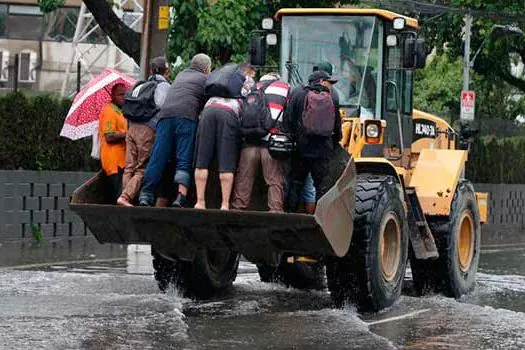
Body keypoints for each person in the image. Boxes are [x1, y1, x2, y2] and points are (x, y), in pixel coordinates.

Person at [138, 53, 212, 208]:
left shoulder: (180, 75)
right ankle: (180, 196)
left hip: (165, 117)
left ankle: (146, 195)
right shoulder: (205, 79)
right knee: (183, 158)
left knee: (158, 157)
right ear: (206, 68)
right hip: (186, 117)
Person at [232, 72, 291, 212]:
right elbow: (289, 113)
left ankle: (237, 209)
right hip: (270, 143)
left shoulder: (252, 88)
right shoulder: (284, 87)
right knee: (274, 179)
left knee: (244, 179)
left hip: (249, 141)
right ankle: (275, 211)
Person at [284, 70, 342, 212]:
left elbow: (288, 121)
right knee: (321, 185)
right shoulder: (332, 98)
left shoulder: (297, 94)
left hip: (301, 148)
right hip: (323, 149)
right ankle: (320, 220)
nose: (331, 86)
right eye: (329, 82)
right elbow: (337, 127)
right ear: (321, 81)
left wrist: (294, 139)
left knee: (296, 183)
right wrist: (332, 144)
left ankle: (290, 216)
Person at [117, 56, 171, 207]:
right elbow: (161, 106)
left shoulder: (140, 84)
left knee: (129, 167)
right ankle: (126, 197)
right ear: (167, 71)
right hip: (147, 130)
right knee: (143, 167)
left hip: (131, 128)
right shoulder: (163, 86)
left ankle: (126, 197)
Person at [193, 64, 247, 211]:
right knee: (226, 162)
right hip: (229, 114)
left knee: (202, 160)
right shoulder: (244, 84)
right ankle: (225, 204)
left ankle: (200, 202)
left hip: (208, 111)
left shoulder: (213, 88)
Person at [98, 83, 128, 203]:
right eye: (120, 95)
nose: (124, 97)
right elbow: (109, 137)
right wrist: (128, 134)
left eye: (125, 94)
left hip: (122, 161)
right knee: (118, 197)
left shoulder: (121, 112)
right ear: (112, 96)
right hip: (113, 162)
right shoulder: (109, 111)